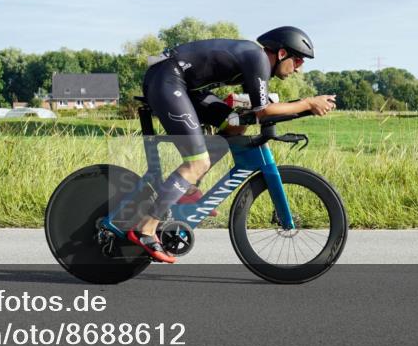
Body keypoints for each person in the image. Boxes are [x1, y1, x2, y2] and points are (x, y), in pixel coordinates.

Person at [129, 26, 337, 263]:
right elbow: (264, 111)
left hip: (182, 84)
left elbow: (256, 110)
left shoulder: (257, 62)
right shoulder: (258, 57)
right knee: (197, 162)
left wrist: (303, 107)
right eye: (298, 60)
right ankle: (145, 229)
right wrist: (309, 102)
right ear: (281, 54)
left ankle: (187, 190)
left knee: (236, 124)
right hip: (167, 79)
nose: (299, 69)